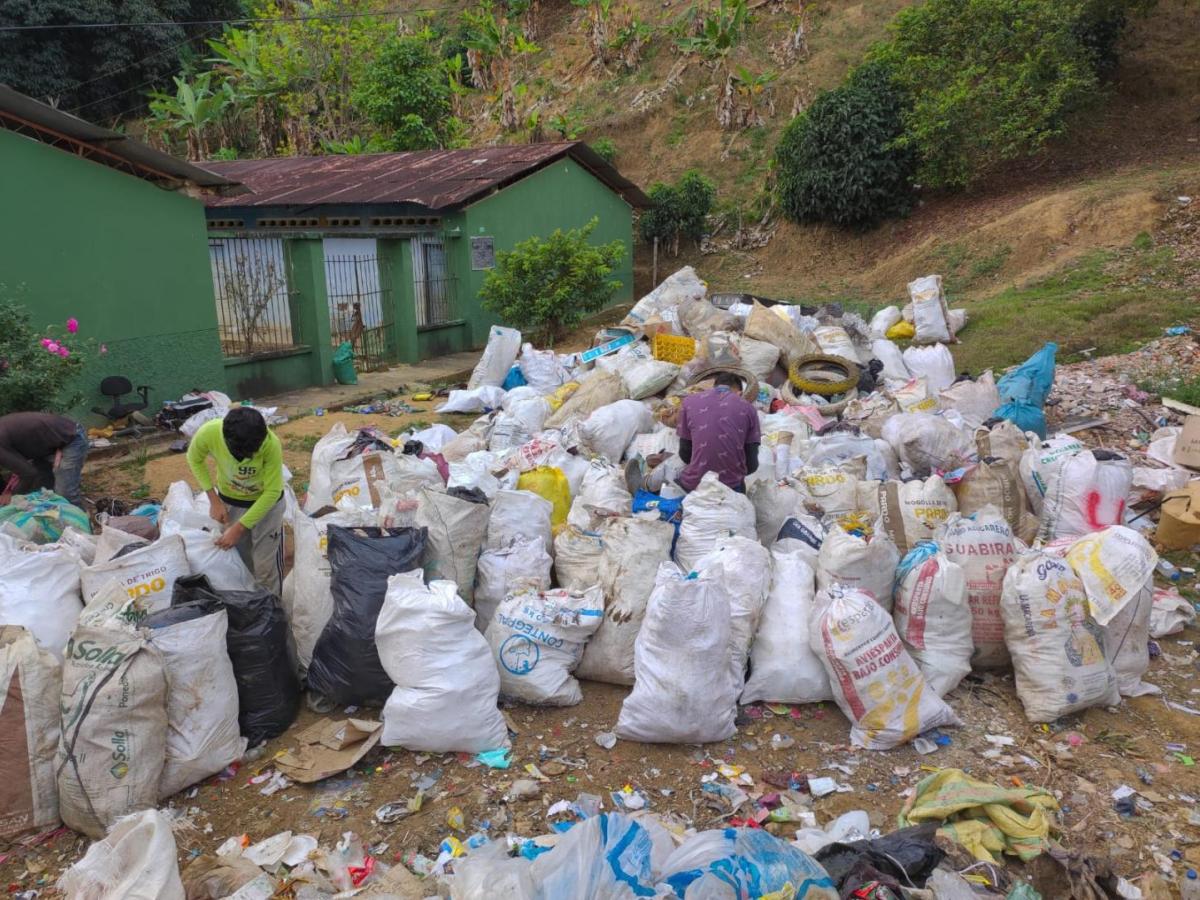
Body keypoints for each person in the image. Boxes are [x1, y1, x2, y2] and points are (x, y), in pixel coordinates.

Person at [187, 407, 285, 595]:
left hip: (267, 507)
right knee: (242, 564)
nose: (251, 457)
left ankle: (272, 609)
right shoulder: (209, 432)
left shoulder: (270, 444)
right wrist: (214, 500)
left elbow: (273, 491)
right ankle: (251, 605)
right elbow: (194, 458)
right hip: (232, 503)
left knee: (266, 568)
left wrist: (239, 528)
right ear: (227, 441)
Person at [676, 371, 761, 493]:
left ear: (714, 386)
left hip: (695, 485)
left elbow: (684, 453)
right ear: (739, 393)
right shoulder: (749, 408)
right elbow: (752, 464)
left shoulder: (688, 402)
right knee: (740, 482)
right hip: (731, 487)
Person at [0, 412, 89, 507]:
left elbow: (28, 474)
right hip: (46, 445)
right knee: (43, 492)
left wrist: (12, 496)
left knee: (65, 495)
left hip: (70, 438)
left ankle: (77, 515)